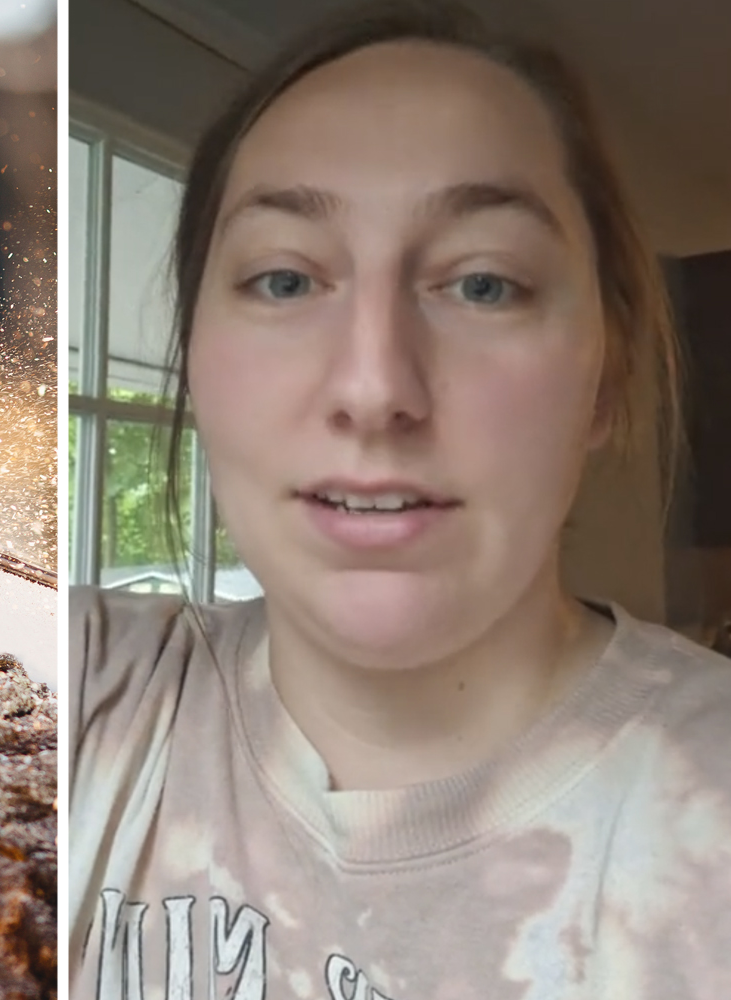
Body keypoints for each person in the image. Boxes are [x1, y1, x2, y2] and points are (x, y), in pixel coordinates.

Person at [70, 1, 728, 994]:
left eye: (483, 285)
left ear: (606, 378)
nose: (374, 388)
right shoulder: (65, 690)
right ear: (195, 358)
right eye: (284, 280)